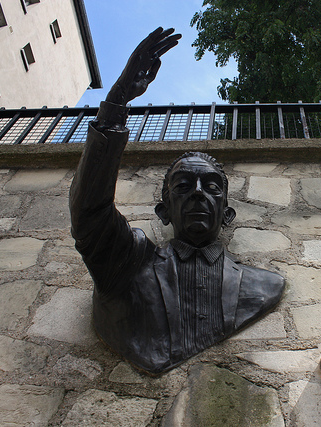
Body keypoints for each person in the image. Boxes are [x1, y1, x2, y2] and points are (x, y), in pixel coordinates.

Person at [69, 28, 284, 373]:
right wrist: (118, 101)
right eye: (183, 185)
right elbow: (90, 212)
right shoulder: (128, 264)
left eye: (211, 186)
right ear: (163, 211)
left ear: (227, 214)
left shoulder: (265, 285)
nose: (199, 191)